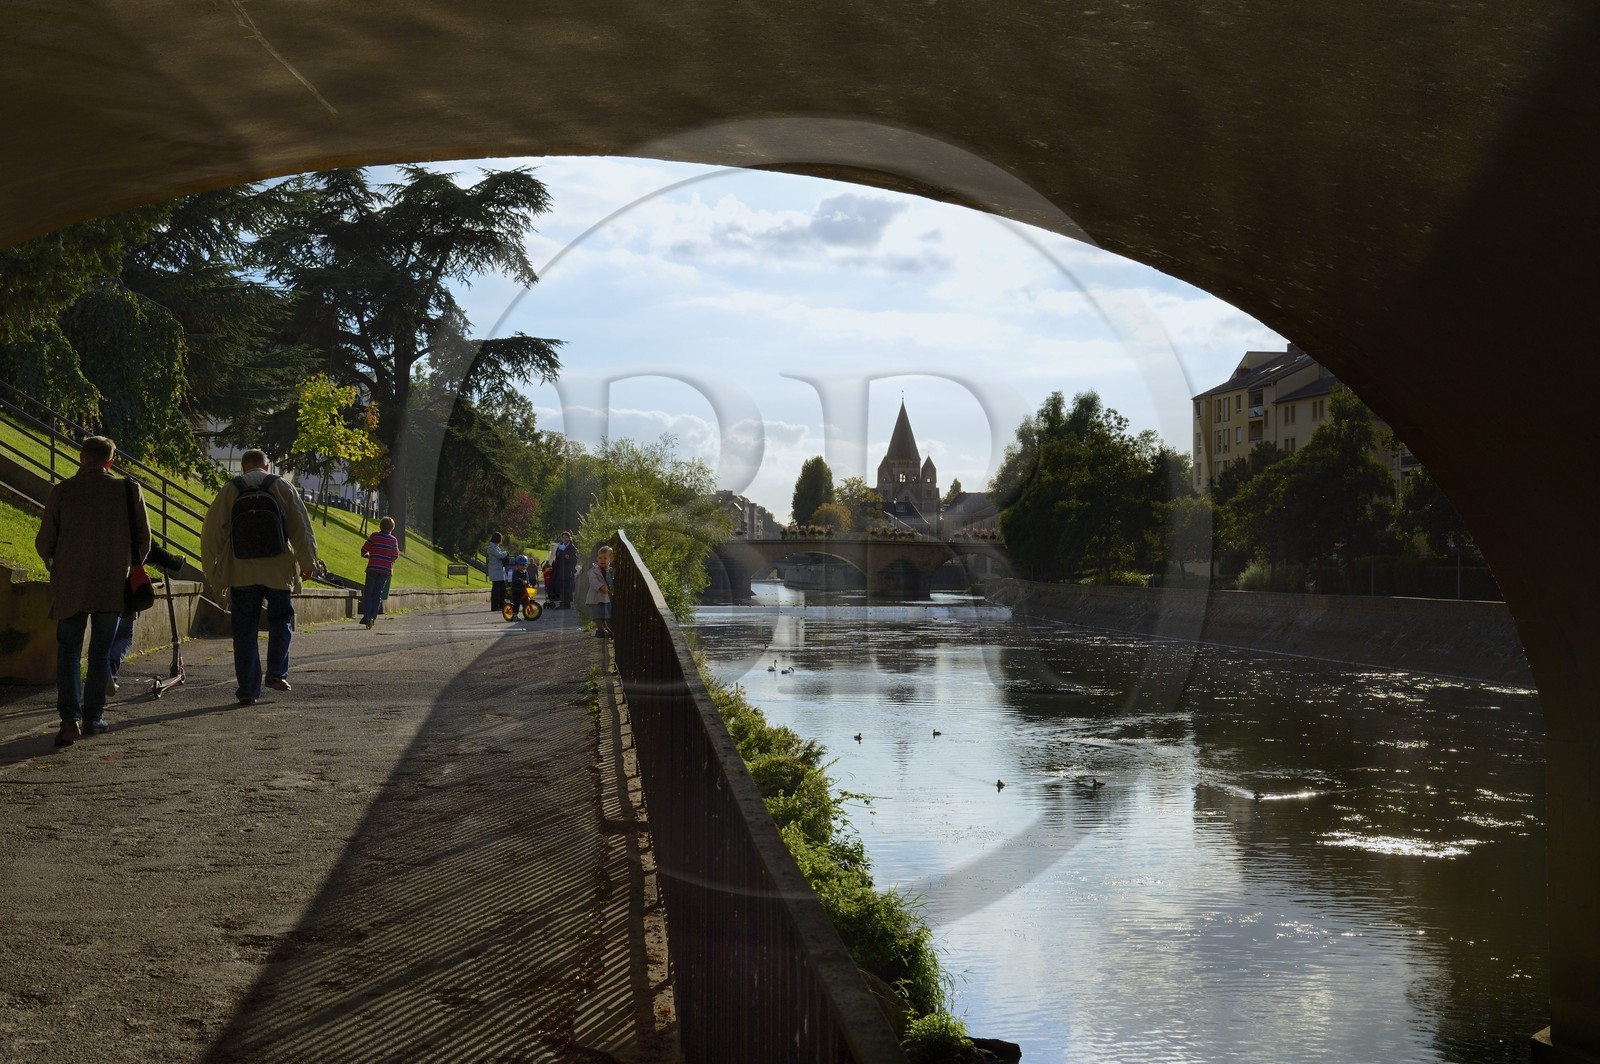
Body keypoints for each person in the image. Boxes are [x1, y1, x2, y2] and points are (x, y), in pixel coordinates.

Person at [35, 436, 151, 746]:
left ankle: (69, 718)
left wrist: (55, 565)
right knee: (100, 652)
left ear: (82, 458)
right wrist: (126, 564)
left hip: (70, 583)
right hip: (111, 584)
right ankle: (92, 717)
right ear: (111, 461)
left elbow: (44, 541)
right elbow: (144, 540)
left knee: (69, 650)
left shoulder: (63, 491)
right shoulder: (128, 489)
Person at [201, 449, 318, 705]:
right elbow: (301, 527)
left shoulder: (230, 489)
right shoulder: (282, 487)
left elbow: (211, 533)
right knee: (281, 620)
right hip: (278, 568)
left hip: (241, 570)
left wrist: (213, 572)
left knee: (244, 630)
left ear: (243, 467)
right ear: (267, 466)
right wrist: (308, 563)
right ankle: (276, 672)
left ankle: (247, 689)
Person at [359, 516, 400, 628]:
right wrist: (388, 561)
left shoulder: (374, 536)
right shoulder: (393, 540)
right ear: (392, 528)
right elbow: (395, 555)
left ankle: (366, 616)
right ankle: (373, 616)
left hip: (372, 568)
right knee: (378, 593)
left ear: (380, 526)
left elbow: (364, 550)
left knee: (368, 592)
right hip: (384, 571)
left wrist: (366, 555)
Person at [585, 544, 615, 639]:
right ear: (597, 558)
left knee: (607, 614)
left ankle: (608, 629)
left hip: (606, 597)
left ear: (610, 560)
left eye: (605, 558)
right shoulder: (594, 570)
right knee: (598, 614)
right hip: (597, 597)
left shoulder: (610, 570)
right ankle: (600, 630)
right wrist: (601, 586)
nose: (602, 560)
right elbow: (593, 580)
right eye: (600, 558)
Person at [551, 530, 579, 609]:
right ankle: (563, 603)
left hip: (567, 570)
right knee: (562, 587)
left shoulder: (571, 547)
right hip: (560, 569)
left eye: (566, 537)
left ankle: (566, 604)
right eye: (563, 537)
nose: (565, 539)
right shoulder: (560, 546)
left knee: (566, 587)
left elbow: (575, 559)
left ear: (569, 538)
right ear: (561, 538)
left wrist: (569, 557)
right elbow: (557, 557)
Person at [486, 531, 510, 613]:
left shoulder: (496, 547)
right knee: (496, 589)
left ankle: (500, 604)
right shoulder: (491, 548)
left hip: (499, 571)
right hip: (495, 571)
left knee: (502, 588)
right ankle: (495, 606)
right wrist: (506, 552)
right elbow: (499, 555)